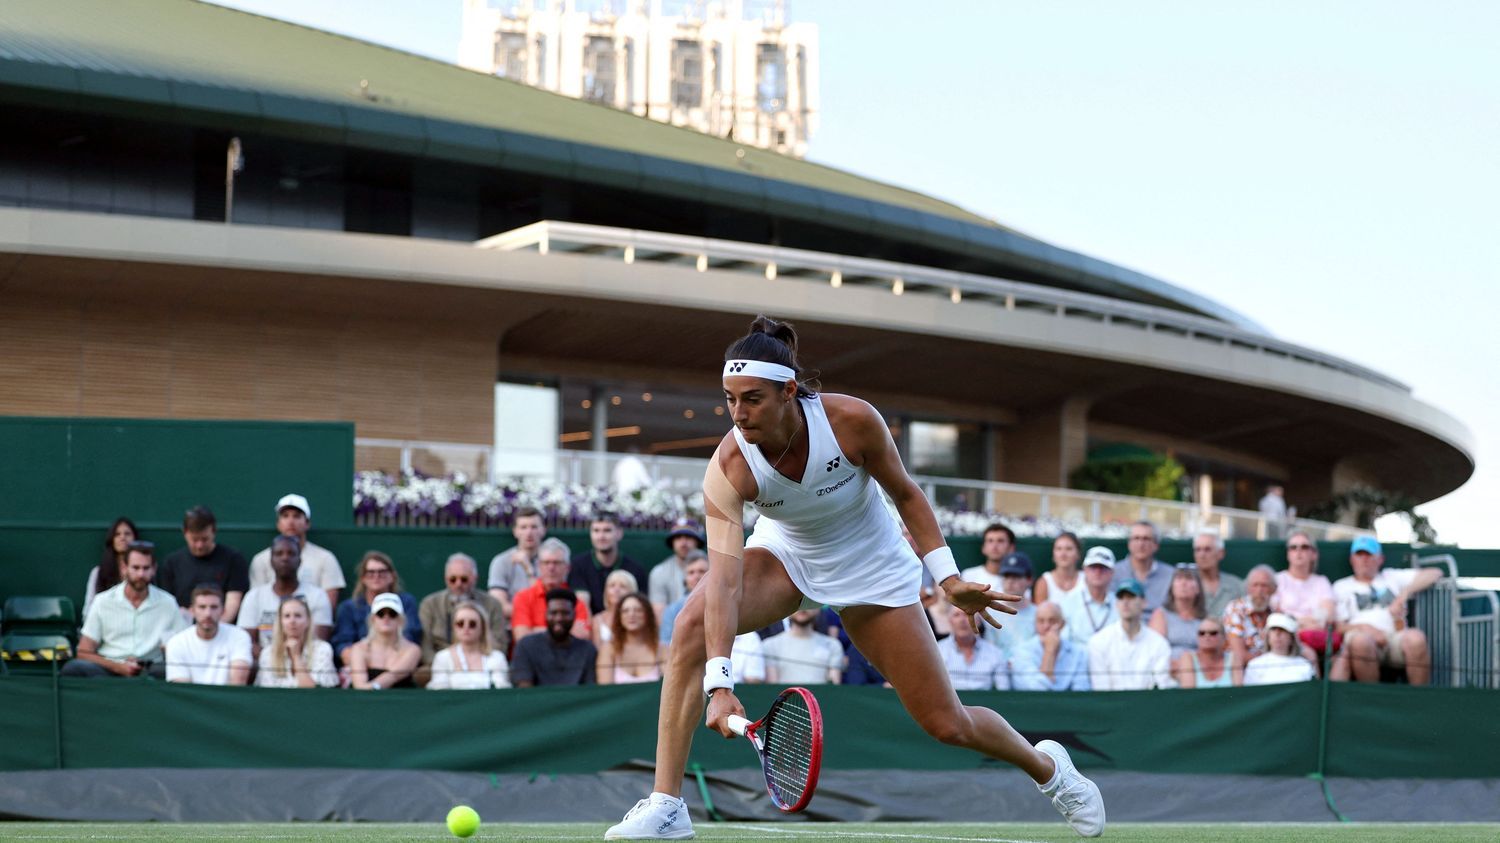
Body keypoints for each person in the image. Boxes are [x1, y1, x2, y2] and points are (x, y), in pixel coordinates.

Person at [606, 316, 1103, 840]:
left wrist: (948, 579)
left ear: (788, 392)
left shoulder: (852, 421)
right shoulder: (729, 465)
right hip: (788, 557)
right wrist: (720, 684)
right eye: (729, 399)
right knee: (690, 623)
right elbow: (725, 584)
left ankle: (1051, 770)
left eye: (752, 399)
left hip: (873, 570)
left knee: (947, 724)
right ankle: (668, 805)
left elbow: (907, 494)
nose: (738, 413)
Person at [64, 542, 184, 679]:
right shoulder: (103, 601)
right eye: (135, 568)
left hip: (152, 670)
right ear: (124, 568)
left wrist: (169, 649)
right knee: (74, 668)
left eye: (146, 568)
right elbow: (83, 652)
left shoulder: (168, 602)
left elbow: (183, 646)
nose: (141, 574)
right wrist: (118, 667)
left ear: (154, 569)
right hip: (110, 668)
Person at [1330, 537, 1439, 685]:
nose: (1364, 560)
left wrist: (1404, 594)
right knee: (1360, 642)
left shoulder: (1391, 576)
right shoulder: (1341, 586)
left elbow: (1435, 573)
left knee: (1416, 638)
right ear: (1351, 559)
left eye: (1369, 555)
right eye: (1359, 555)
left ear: (1380, 559)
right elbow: (1339, 627)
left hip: (1395, 636)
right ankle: (1374, 698)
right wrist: (1365, 628)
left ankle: (1419, 699)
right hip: (1361, 637)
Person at [237, 535, 333, 657]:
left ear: (300, 560)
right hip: (264, 663)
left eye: (291, 553)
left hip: (306, 663)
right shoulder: (254, 596)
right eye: (279, 554)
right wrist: (274, 660)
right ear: (271, 560)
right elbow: (246, 642)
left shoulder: (317, 596)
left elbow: (318, 642)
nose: (285, 558)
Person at [247, 494, 344, 610]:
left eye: (297, 516)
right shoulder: (260, 560)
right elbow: (256, 603)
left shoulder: (326, 558)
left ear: (307, 523)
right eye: (285, 516)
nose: (291, 521)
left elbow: (327, 610)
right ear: (278, 524)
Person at [156, 506, 249, 623]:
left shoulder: (233, 559)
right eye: (194, 540)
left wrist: (211, 628)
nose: (199, 545)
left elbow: (233, 604)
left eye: (205, 539)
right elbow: (167, 605)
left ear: (214, 531)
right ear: (185, 533)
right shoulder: (171, 563)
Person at [332, 551, 421, 666]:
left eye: (382, 572)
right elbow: (342, 644)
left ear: (392, 576)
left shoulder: (407, 602)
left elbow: (410, 636)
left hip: (398, 664)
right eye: (370, 572)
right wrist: (364, 661)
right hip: (358, 666)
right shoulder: (348, 607)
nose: (376, 576)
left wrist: (388, 659)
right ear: (363, 578)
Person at [418, 553, 507, 666]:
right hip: (440, 666)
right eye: (453, 579)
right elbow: (425, 646)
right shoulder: (430, 604)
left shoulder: (492, 604)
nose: (458, 584)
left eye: (464, 579)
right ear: (446, 579)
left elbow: (499, 644)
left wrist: (474, 664)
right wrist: (445, 665)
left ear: (475, 578)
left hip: (482, 665)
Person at [1087, 579, 1172, 691]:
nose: (1125, 602)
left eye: (1131, 597)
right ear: (1116, 604)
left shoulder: (1159, 643)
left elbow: (1161, 686)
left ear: (1143, 602)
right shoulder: (1099, 641)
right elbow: (1101, 689)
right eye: (1121, 598)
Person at [164, 585, 252, 686]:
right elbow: (182, 690)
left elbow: (238, 684)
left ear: (223, 611)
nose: (208, 614)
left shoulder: (239, 636)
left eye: (214, 607)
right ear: (192, 611)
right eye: (202, 607)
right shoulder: (177, 643)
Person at [512, 588, 599, 687]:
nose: (559, 618)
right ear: (545, 614)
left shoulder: (587, 650)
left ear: (574, 616)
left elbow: (590, 691)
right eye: (553, 613)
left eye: (565, 613)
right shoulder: (526, 646)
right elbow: (524, 690)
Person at [511, 538, 591, 641]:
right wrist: (565, 631)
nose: (551, 568)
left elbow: (582, 636)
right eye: (546, 563)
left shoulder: (576, 601)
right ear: (539, 566)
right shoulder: (523, 598)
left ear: (567, 568)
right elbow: (522, 637)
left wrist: (534, 630)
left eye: (556, 563)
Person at [569, 513, 648, 615]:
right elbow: (583, 605)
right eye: (596, 531)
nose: (601, 536)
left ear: (619, 533)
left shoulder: (635, 569)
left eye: (607, 530)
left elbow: (638, 608)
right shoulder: (578, 565)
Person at [1276, 531, 1337, 659]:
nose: (1298, 551)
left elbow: (1326, 617)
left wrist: (1296, 621)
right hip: (1286, 637)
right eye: (1293, 548)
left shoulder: (1321, 581)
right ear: (1288, 554)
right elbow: (1276, 616)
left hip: (1317, 637)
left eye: (1304, 547)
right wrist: (1306, 623)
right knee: (1308, 654)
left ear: (1314, 554)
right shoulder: (1278, 580)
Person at [255, 597, 338, 688]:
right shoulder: (268, 652)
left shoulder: (322, 649)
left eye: (298, 616)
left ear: (308, 621)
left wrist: (296, 656)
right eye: (287, 616)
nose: (292, 621)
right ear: (280, 622)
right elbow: (267, 693)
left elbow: (314, 693)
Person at [428, 600, 512, 690]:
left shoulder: (497, 657)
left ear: (482, 627)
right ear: (454, 628)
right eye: (460, 624)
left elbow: (501, 690)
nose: (466, 627)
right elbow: (439, 691)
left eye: (472, 624)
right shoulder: (442, 657)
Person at [348, 592, 421, 690]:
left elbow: (393, 676)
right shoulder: (359, 649)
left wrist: (372, 687)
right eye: (380, 614)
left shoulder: (413, 650)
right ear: (373, 619)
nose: (386, 618)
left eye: (392, 614)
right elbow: (359, 685)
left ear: (400, 620)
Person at [1012, 602, 1090, 691]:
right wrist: (1049, 651)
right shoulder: (1022, 652)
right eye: (1041, 621)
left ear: (1062, 624)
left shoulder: (1078, 652)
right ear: (1035, 624)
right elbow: (1038, 691)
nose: (1046, 626)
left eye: (1052, 621)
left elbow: (1081, 690)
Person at [487, 506, 546, 619]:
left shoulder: (553, 561)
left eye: (534, 527)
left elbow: (551, 603)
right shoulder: (501, 562)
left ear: (543, 530)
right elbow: (498, 606)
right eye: (523, 527)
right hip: (510, 627)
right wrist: (533, 616)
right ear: (515, 531)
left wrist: (528, 570)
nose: (529, 532)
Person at [935, 603, 1009, 690]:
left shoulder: (995, 653)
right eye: (956, 615)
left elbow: (1004, 691)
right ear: (950, 621)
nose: (962, 620)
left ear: (978, 622)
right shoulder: (937, 651)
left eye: (968, 614)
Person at [761, 608, 844, 685]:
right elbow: (772, 688)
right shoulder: (770, 645)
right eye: (799, 601)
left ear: (818, 608)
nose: (803, 608)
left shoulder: (832, 645)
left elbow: (833, 686)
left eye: (809, 602)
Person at [598, 593, 666, 684]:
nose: (631, 614)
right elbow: (605, 691)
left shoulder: (663, 650)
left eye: (638, 610)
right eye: (625, 611)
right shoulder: (608, 649)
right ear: (619, 617)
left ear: (648, 615)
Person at [1060, 546, 1118, 648]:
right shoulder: (1068, 601)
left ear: (1112, 573)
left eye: (1103, 568)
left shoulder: (1120, 603)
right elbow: (1064, 642)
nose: (1098, 572)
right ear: (1085, 570)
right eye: (1093, 567)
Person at [83, 516, 138, 619]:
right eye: (117, 534)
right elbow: (88, 609)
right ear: (112, 540)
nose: (123, 537)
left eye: (127, 534)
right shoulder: (98, 572)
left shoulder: (143, 572)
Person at [987, 552, 1038, 660]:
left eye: (1016, 576)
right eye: (1006, 576)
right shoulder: (990, 613)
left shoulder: (1039, 615)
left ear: (1029, 580)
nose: (1010, 581)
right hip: (998, 672)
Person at [1112, 521, 1172, 613]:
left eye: (1146, 539)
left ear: (1156, 545)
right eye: (1136, 538)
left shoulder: (1170, 575)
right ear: (1129, 543)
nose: (1141, 544)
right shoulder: (1113, 572)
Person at [1149, 565, 1207, 660]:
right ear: (1171, 587)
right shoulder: (1161, 614)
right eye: (1179, 579)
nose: (1183, 583)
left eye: (1189, 579)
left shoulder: (1206, 619)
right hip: (1168, 668)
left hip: (1198, 669)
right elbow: (1155, 650)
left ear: (1198, 588)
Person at [650, 518, 705, 617]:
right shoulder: (659, 572)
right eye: (678, 538)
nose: (683, 543)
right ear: (672, 542)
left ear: (697, 541)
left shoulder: (712, 568)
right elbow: (659, 615)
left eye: (688, 537)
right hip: (673, 627)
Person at [1224, 565, 1277, 665]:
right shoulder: (1236, 609)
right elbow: (1239, 655)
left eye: (1264, 585)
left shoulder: (1275, 614)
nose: (1259, 591)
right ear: (1248, 588)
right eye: (1255, 585)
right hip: (1241, 670)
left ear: (1273, 589)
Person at [1243, 613, 1315, 686]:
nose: (1277, 633)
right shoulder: (1255, 665)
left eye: (1283, 629)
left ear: (1291, 637)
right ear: (1268, 636)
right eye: (1273, 629)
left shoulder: (1304, 665)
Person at [1173, 617, 1242, 689]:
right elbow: (1188, 694)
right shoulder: (1188, 658)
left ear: (1224, 637)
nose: (1207, 636)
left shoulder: (1233, 658)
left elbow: (1238, 692)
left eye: (1213, 633)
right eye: (1202, 633)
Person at [1192, 529, 1245, 619]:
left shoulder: (1236, 585)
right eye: (1198, 550)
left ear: (1221, 553)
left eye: (1207, 549)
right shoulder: (1186, 584)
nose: (1202, 555)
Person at [659, 551, 709, 643]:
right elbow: (665, 644)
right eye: (691, 572)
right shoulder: (672, 610)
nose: (696, 576)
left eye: (702, 571)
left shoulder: (724, 604)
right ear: (685, 578)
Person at [958, 523, 1017, 592]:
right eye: (990, 541)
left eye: (1000, 541)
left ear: (1011, 548)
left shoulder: (1018, 581)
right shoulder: (968, 576)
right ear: (983, 548)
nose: (995, 546)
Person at [593, 569, 642, 649]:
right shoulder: (597, 620)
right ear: (606, 591)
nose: (616, 590)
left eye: (623, 586)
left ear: (632, 591)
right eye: (612, 585)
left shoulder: (640, 617)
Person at [1032, 532, 1083, 606]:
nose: (1063, 554)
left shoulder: (1087, 580)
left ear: (1078, 554)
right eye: (1059, 549)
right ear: (1053, 554)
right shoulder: (1044, 582)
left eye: (1069, 549)